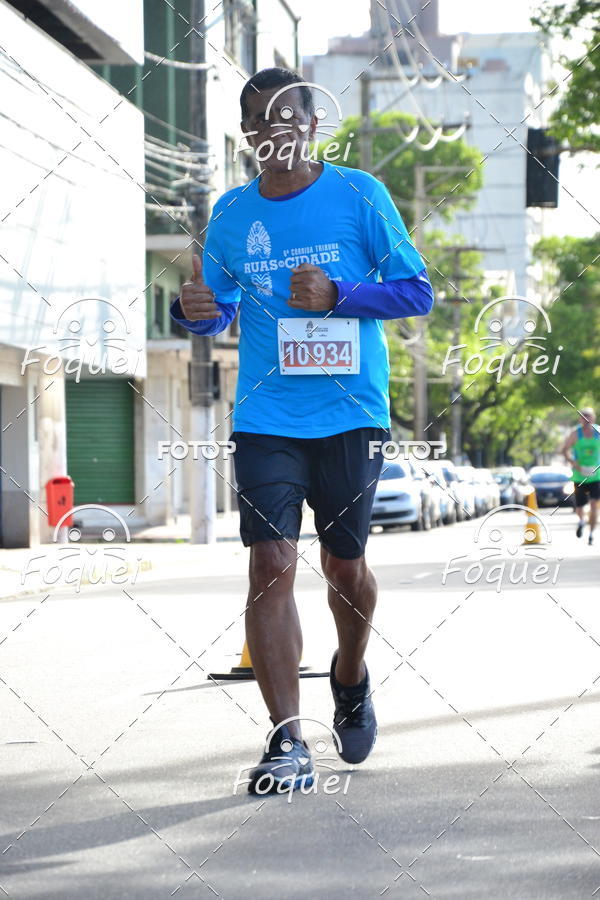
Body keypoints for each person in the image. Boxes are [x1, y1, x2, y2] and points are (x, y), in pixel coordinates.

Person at [170, 68, 434, 794]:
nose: (272, 133)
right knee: (269, 565)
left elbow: (418, 290)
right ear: (248, 136)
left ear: (313, 126)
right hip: (266, 416)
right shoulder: (229, 214)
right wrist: (191, 309)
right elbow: (215, 309)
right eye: (257, 123)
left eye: (286, 120)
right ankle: (288, 741)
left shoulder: (359, 196)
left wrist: (342, 294)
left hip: (350, 413)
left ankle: (350, 675)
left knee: (345, 570)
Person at [561, 407, 600, 546]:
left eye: (588, 416)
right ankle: (582, 521)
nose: (586, 419)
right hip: (579, 476)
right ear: (580, 419)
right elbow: (564, 450)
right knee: (580, 507)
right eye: (583, 416)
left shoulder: (598, 432)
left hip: (596, 476)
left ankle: (591, 534)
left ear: (593, 418)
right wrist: (573, 462)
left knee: (595, 505)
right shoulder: (575, 434)